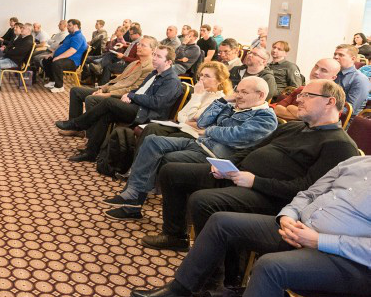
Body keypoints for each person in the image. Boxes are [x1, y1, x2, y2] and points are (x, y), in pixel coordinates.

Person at [131, 155, 371, 297]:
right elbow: (308, 194)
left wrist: (320, 240)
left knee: (270, 267)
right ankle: (180, 291)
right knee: (221, 222)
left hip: (347, 258)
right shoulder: (356, 163)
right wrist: (288, 216)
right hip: (299, 228)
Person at [143, 80, 358, 252]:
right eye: (301, 95)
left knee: (203, 201)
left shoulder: (339, 144)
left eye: (307, 95)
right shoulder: (294, 127)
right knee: (172, 172)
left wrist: (255, 182)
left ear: (330, 102)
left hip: (272, 197)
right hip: (241, 177)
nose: (299, 99)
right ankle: (175, 236)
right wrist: (228, 166)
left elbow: (308, 191)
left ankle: (213, 276)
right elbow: (254, 149)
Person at [102, 76, 277, 219]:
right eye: (238, 91)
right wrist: (222, 100)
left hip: (215, 156)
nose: (238, 96)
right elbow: (202, 122)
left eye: (244, 92)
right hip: (200, 143)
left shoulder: (266, 118)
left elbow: (235, 136)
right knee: (152, 140)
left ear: (261, 95)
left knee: (166, 160)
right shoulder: (233, 106)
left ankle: (134, 205)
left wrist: (210, 131)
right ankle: (133, 194)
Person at [62, 44, 182, 163]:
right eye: (154, 55)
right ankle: (91, 153)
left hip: (147, 114)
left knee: (108, 102)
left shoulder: (171, 80)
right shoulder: (154, 73)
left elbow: (156, 103)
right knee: (105, 115)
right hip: (138, 107)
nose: (154, 58)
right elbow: (139, 90)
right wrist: (130, 94)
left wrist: (132, 96)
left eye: (159, 56)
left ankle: (77, 124)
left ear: (168, 62)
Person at [56, 36, 157, 137]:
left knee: (91, 99)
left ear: (153, 50)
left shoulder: (149, 68)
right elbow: (117, 80)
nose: (138, 46)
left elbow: (133, 89)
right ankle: (75, 129)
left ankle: (90, 136)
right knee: (75, 91)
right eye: (138, 44)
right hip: (110, 89)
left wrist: (107, 94)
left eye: (143, 45)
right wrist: (102, 88)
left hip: (121, 96)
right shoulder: (135, 63)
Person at [273, 58, 340, 121]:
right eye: (316, 67)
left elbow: (315, 119)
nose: (316, 72)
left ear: (333, 78)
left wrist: (290, 107)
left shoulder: (332, 98)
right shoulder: (301, 89)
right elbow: (277, 109)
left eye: (323, 70)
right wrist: (300, 115)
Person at [42, 19, 87, 93]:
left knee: (57, 63)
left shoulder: (78, 37)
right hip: (65, 58)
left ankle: (59, 87)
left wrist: (58, 57)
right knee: (46, 60)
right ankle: (53, 81)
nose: (67, 27)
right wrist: (52, 54)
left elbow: (72, 51)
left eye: (69, 25)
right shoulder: (70, 35)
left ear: (75, 26)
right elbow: (60, 45)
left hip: (73, 61)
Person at [333, 44, 371, 114]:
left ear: (353, 59)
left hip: (344, 118)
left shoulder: (360, 80)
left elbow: (349, 110)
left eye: (341, 55)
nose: (336, 57)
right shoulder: (333, 73)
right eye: (335, 54)